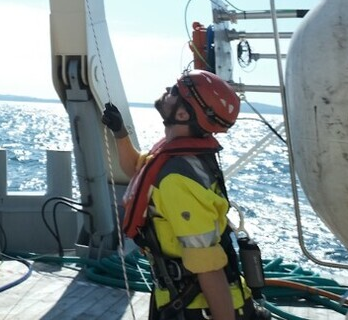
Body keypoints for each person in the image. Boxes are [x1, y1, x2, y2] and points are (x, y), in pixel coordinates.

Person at [103, 71, 256, 320]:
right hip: (179, 300)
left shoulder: (179, 179)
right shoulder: (171, 157)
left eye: (175, 91)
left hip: (198, 308)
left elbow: (208, 266)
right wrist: (120, 132)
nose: (167, 90)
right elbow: (137, 171)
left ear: (183, 114)